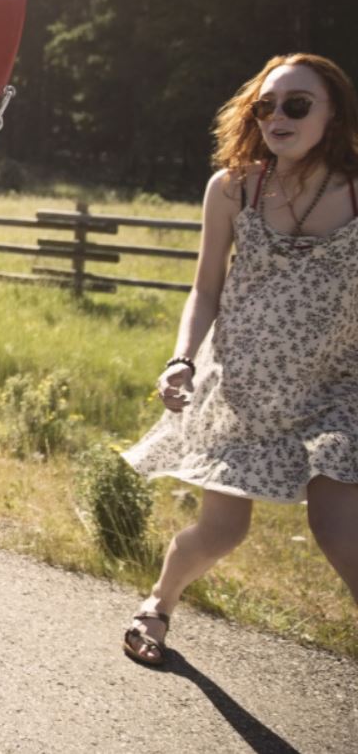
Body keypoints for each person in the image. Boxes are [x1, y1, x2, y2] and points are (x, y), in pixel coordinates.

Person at [120, 53, 358, 667]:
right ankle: (158, 604)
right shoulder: (233, 188)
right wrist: (181, 360)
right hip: (241, 389)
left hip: (336, 390)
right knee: (223, 531)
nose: (278, 115)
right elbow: (205, 287)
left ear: (332, 114)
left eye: (297, 104)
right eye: (267, 105)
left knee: (339, 529)